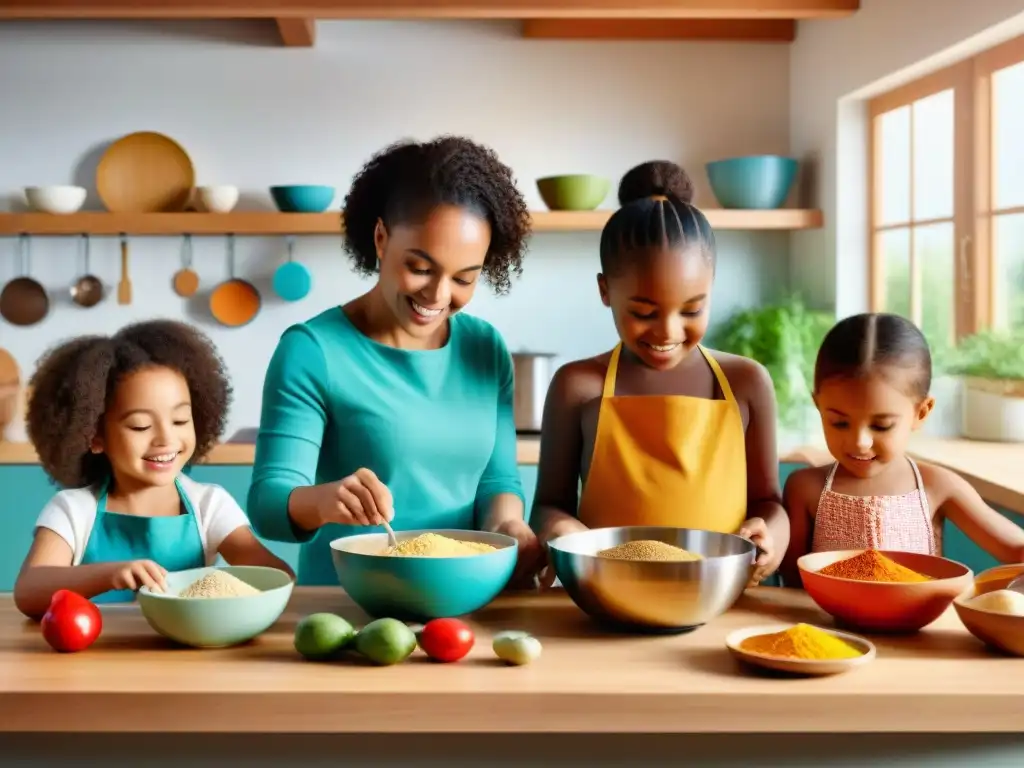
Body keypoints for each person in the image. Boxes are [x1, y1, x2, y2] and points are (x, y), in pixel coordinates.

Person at [247, 135, 542, 587]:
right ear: (381, 238)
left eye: (464, 278)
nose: (439, 296)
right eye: (421, 268)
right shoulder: (313, 350)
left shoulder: (485, 348)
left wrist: (510, 530)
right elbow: (269, 505)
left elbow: (497, 482)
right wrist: (326, 501)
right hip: (350, 604)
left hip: (463, 599)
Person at [530, 161, 789, 585]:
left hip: (724, 595)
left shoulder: (746, 382)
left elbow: (769, 502)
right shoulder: (577, 386)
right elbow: (548, 505)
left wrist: (771, 535)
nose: (668, 331)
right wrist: (561, 530)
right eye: (643, 312)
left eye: (692, 309)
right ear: (605, 291)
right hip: (611, 591)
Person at [14, 320, 292, 619]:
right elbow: (29, 591)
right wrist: (109, 575)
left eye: (180, 421)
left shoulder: (210, 506)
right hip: (91, 660)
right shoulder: (74, 510)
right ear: (93, 436)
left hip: (191, 659)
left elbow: (278, 578)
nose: (166, 439)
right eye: (140, 425)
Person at [780, 313, 1024, 586]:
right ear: (818, 405)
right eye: (839, 422)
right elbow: (792, 584)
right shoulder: (805, 488)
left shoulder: (938, 486)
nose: (860, 441)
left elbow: (1017, 549)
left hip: (919, 629)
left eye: (881, 426)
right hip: (827, 629)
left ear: (921, 412)